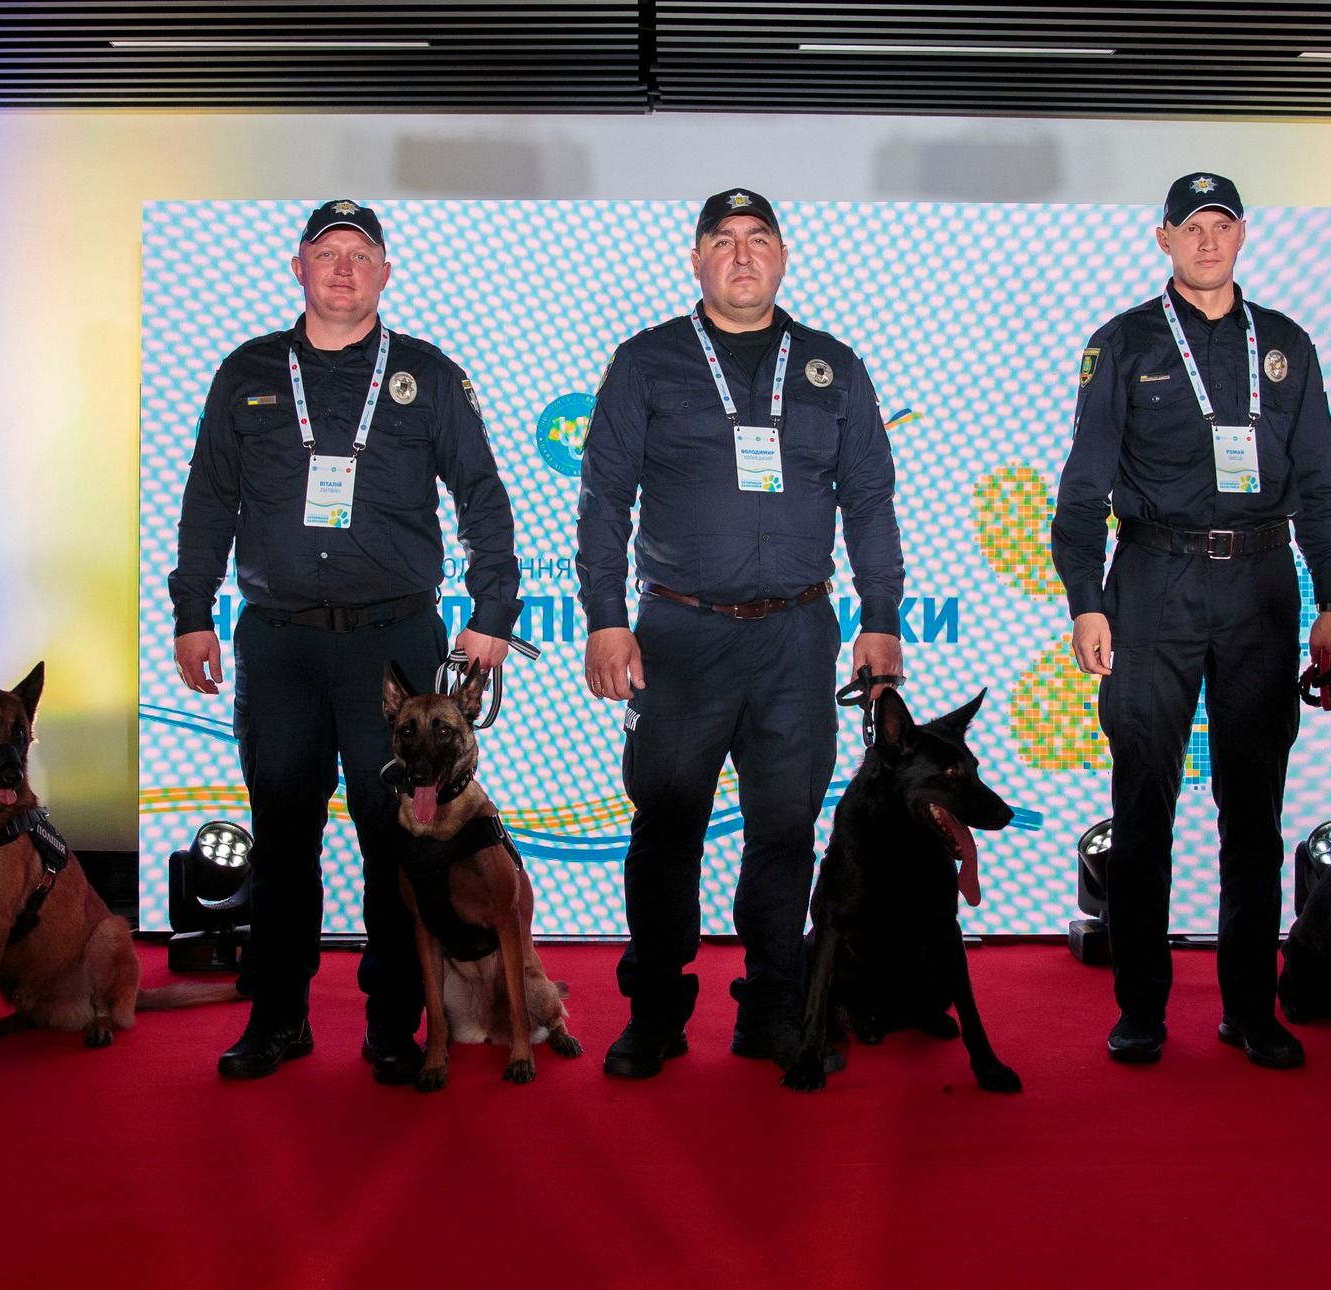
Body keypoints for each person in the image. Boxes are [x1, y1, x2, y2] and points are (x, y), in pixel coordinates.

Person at [170, 200, 520, 1084]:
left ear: (384, 274)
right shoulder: (245, 372)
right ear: (298, 268)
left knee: (395, 840)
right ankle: (279, 1017)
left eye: (360, 254)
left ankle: (395, 1025)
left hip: (393, 648)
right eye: (326, 253)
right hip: (280, 644)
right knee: (282, 834)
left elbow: (480, 495)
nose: (342, 269)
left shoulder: (428, 376)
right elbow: (209, 498)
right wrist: (191, 611)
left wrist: (492, 611)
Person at [576, 188, 905, 1079]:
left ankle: (770, 1010)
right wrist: (608, 620)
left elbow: (870, 501)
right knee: (668, 824)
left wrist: (881, 619)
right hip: (677, 636)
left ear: (784, 256)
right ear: (697, 260)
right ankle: (654, 1012)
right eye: (722, 241)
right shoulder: (647, 363)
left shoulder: (834, 368)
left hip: (798, 638)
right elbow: (604, 499)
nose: (742, 254)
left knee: (786, 829)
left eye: (759, 239)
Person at [1051, 172, 1331, 1070]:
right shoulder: (1123, 343)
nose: (1209, 241)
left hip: (1263, 587)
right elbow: (1081, 493)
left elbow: (1322, 488)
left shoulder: (1288, 347)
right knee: (1144, 805)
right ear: (1164, 239)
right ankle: (1141, 1008)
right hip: (1153, 583)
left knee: (1252, 815)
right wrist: (1086, 600)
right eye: (1192, 227)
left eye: (1222, 225)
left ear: (1242, 236)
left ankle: (1248, 1011)